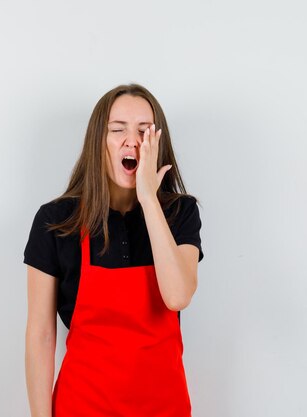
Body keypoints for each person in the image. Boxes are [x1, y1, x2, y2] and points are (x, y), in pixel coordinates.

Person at [23, 83, 204, 417]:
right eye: (117, 129)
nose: (131, 140)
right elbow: (41, 334)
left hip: (164, 407)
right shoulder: (56, 221)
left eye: (144, 131)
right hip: (82, 406)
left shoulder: (180, 213)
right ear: (98, 142)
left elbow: (177, 295)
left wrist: (149, 198)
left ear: (157, 141)